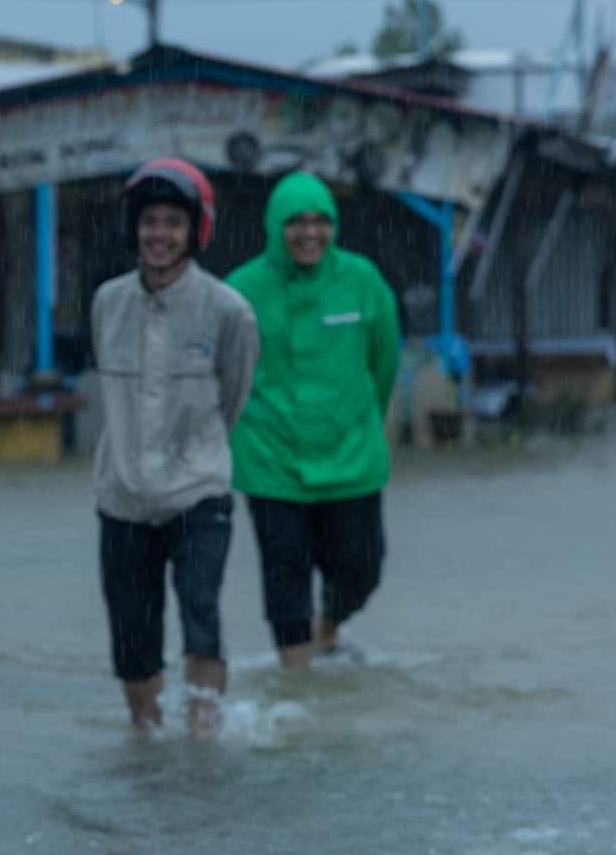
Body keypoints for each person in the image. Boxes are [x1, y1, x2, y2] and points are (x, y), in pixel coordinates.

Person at [89, 158, 259, 735]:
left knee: (201, 613)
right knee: (132, 632)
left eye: (173, 223)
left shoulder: (229, 310)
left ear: (195, 232)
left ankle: (202, 741)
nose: (159, 234)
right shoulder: (106, 302)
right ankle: (147, 741)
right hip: (121, 496)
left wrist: (196, 452)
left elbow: (233, 396)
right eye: (150, 221)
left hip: (199, 492)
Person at [225, 171, 401, 669]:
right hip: (270, 456)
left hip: (351, 454)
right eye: (296, 222)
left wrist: (362, 418)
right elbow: (221, 370)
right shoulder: (241, 290)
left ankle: (330, 626)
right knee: (285, 573)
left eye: (321, 221)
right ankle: (298, 687)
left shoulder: (362, 281)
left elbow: (384, 361)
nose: (310, 233)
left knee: (362, 568)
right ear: (274, 226)